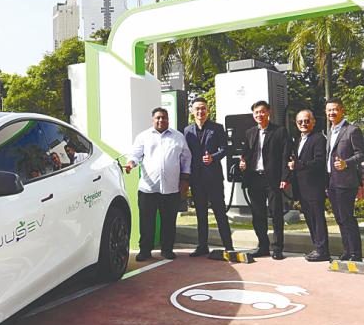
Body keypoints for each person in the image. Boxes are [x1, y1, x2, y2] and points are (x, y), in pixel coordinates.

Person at [124, 107, 191, 262]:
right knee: (146, 222)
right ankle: (145, 251)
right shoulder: (143, 137)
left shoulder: (178, 137)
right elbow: (135, 154)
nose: (161, 120)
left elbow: (186, 158)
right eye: (158, 118)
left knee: (169, 221)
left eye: (164, 118)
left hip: (171, 188)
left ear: (168, 119)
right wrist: (131, 163)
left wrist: (185, 180)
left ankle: (167, 250)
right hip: (148, 188)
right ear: (153, 119)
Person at [239, 100, 291, 259]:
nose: (259, 115)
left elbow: (285, 156)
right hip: (254, 178)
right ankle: (263, 245)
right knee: (257, 215)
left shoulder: (280, 131)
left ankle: (277, 248)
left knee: (276, 214)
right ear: (253, 115)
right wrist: (243, 163)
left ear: (268, 112)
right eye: (256, 113)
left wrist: (284, 177)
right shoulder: (250, 133)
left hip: (273, 179)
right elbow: (246, 153)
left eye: (262, 111)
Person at [183, 97, 235, 256]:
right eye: (197, 109)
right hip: (196, 180)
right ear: (192, 112)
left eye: (203, 108)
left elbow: (225, 149)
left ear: (208, 110)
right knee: (201, 214)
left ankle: (229, 246)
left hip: (214, 178)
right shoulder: (187, 131)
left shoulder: (217, 128)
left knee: (220, 213)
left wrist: (214, 156)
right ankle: (202, 246)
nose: (200, 111)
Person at [325, 98, 364, 262]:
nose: (332, 113)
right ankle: (347, 251)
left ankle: (356, 254)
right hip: (332, 182)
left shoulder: (352, 130)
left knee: (347, 218)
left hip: (347, 181)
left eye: (335, 109)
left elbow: (361, 154)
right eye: (329, 110)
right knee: (340, 218)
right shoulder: (330, 132)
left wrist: (346, 163)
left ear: (342, 110)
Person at [288, 109, 330, 261]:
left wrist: (298, 165)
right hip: (302, 187)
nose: (303, 124)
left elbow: (319, 162)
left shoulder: (319, 138)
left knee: (317, 219)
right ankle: (317, 247)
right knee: (310, 219)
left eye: (307, 121)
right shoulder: (298, 139)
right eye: (300, 122)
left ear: (313, 122)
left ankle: (323, 250)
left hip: (314, 186)